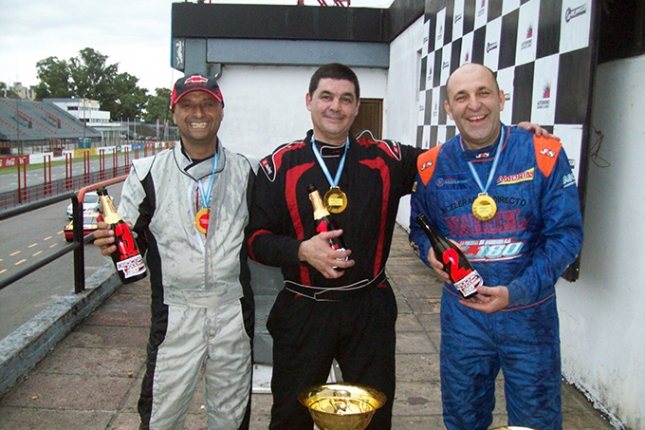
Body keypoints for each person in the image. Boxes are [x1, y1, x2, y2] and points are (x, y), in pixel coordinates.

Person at [246, 62, 552, 429]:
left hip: (369, 309)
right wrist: (301, 251)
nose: (335, 107)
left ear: (357, 107)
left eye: (346, 99)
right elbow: (255, 241)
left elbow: (455, 158)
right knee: (289, 417)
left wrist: (512, 137)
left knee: (375, 417)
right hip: (303, 310)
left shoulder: (387, 159)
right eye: (326, 97)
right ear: (309, 101)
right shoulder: (278, 166)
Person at [408, 62, 584, 430]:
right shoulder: (430, 166)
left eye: (484, 93)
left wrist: (516, 292)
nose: (474, 105)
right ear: (448, 108)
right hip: (463, 318)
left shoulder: (542, 154)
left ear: (502, 98)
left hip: (529, 317)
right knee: (463, 419)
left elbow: (566, 236)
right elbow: (419, 228)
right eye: (462, 97)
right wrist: (428, 253)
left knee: (537, 422)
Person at [93, 74, 254, 430]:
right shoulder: (147, 172)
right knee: (160, 419)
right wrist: (110, 245)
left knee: (231, 420)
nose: (199, 112)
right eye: (188, 105)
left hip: (232, 312)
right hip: (174, 314)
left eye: (208, 103)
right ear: (174, 113)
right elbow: (130, 244)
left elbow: (267, 235)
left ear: (221, 111)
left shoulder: (247, 170)